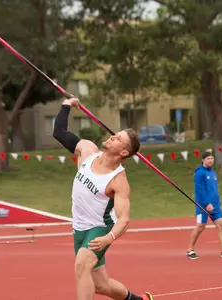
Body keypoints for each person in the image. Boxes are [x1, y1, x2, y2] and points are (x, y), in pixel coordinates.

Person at [53, 97, 153, 300]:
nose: (112, 137)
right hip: (79, 227)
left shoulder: (118, 180)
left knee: (81, 266)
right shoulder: (87, 150)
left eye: (118, 139)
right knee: (100, 284)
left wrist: (109, 238)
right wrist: (66, 105)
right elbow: (59, 133)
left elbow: (124, 219)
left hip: (100, 228)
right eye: (114, 134)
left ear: (124, 152)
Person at [186, 151, 222, 259]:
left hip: (215, 205)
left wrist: (217, 202)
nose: (210, 161)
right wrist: (206, 203)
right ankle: (190, 249)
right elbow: (199, 190)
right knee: (200, 226)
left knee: (221, 225)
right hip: (202, 206)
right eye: (208, 159)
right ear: (203, 160)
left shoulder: (213, 172)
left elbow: (213, 189)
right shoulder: (200, 172)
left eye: (211, 158)